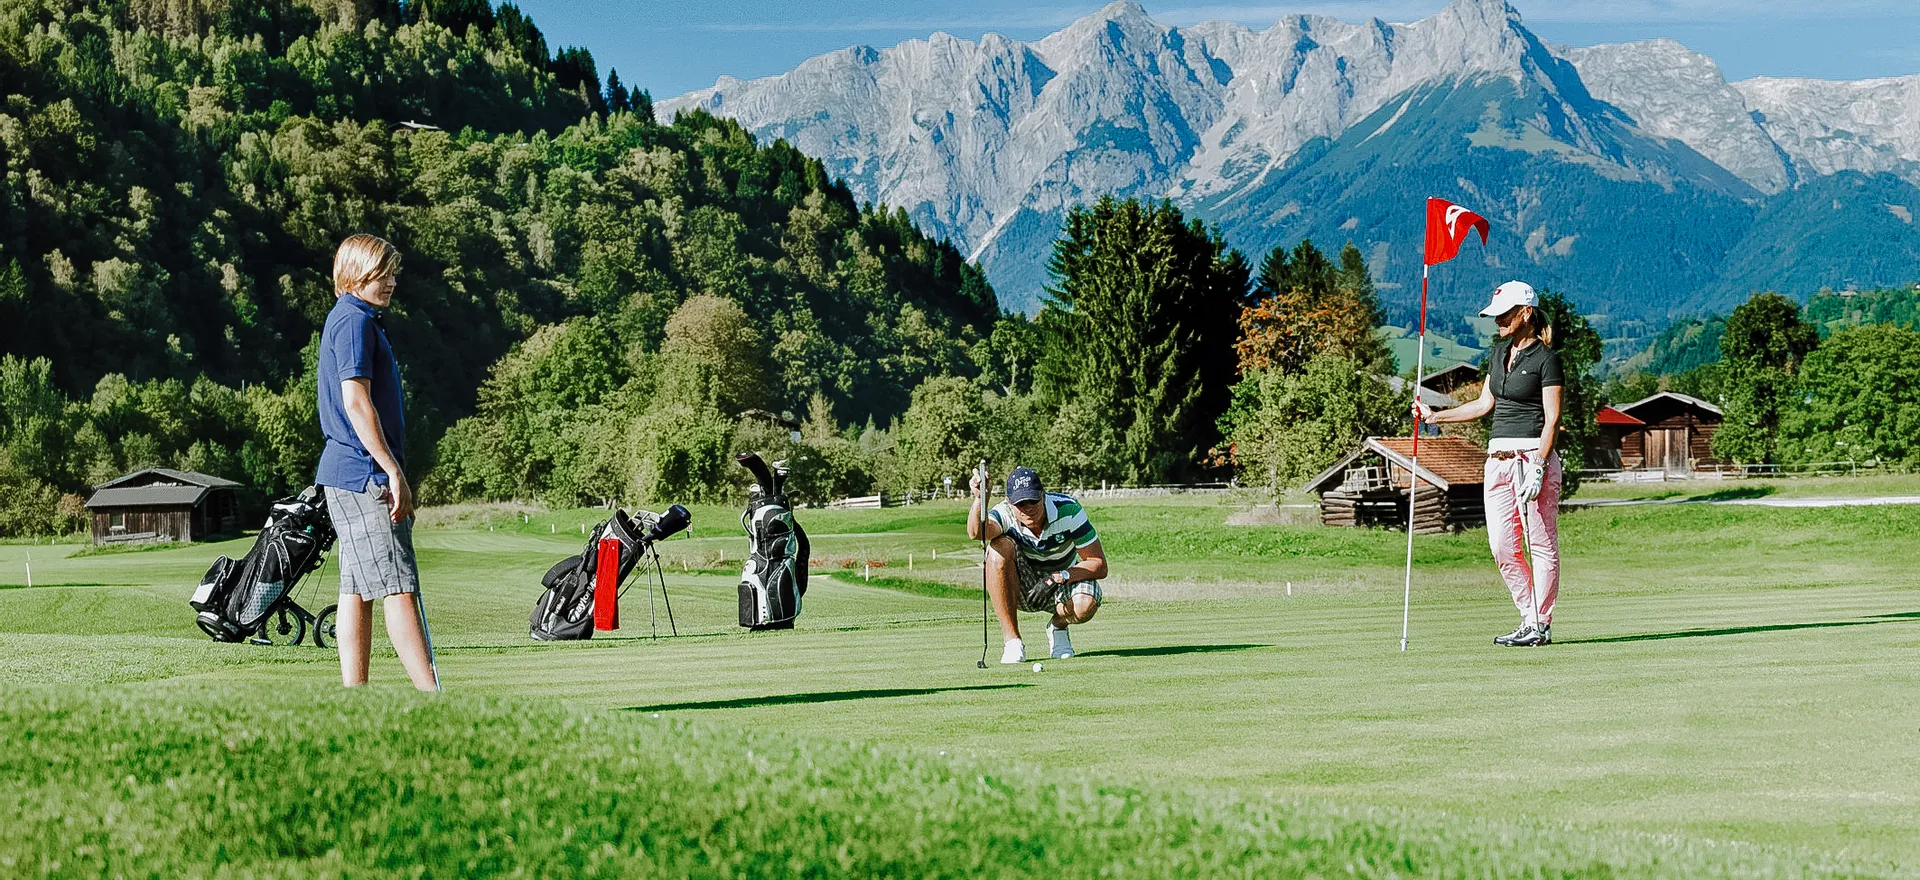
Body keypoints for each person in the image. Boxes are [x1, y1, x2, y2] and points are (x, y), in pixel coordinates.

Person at [316, 234, 438, 689]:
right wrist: (392, 469)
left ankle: (356, 696)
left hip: (343, 474)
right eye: (380, 272)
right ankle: (434, 700)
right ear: (355, 273)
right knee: (398, 585)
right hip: (364, 475)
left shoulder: (354, 317)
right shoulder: (353, 320)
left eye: (391, 273)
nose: (389, 281)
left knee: (356, 589)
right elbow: (356, 402)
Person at [1412, 281, 1563, 647]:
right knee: (1501, 546)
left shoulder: (1547, 359)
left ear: (1525, 313)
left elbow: (1552, 419)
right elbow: (1483, 405)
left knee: (1540, 544)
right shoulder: (1498, 354)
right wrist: (1436, 416)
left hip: (1532, 458)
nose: (1498, 321)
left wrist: (1541, 465)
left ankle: (1540, 623)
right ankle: (1528, 617)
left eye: (1504, 315)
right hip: (1497, 460)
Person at [967, 466, 1110, 663]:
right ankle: (1013, 642)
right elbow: (977, 533)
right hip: (1022, 587)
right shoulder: (1005, 512)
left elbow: (1099, 564)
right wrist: (979, 499)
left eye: (1033, 500)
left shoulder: (1068, 509)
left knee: (1085, 605)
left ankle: (1057, 627)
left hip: (1062, 581)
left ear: (1043, 495)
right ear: (1009, 501)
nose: (1028, 508)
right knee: (997, 548)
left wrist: (1058, 577)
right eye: (1020, 503)